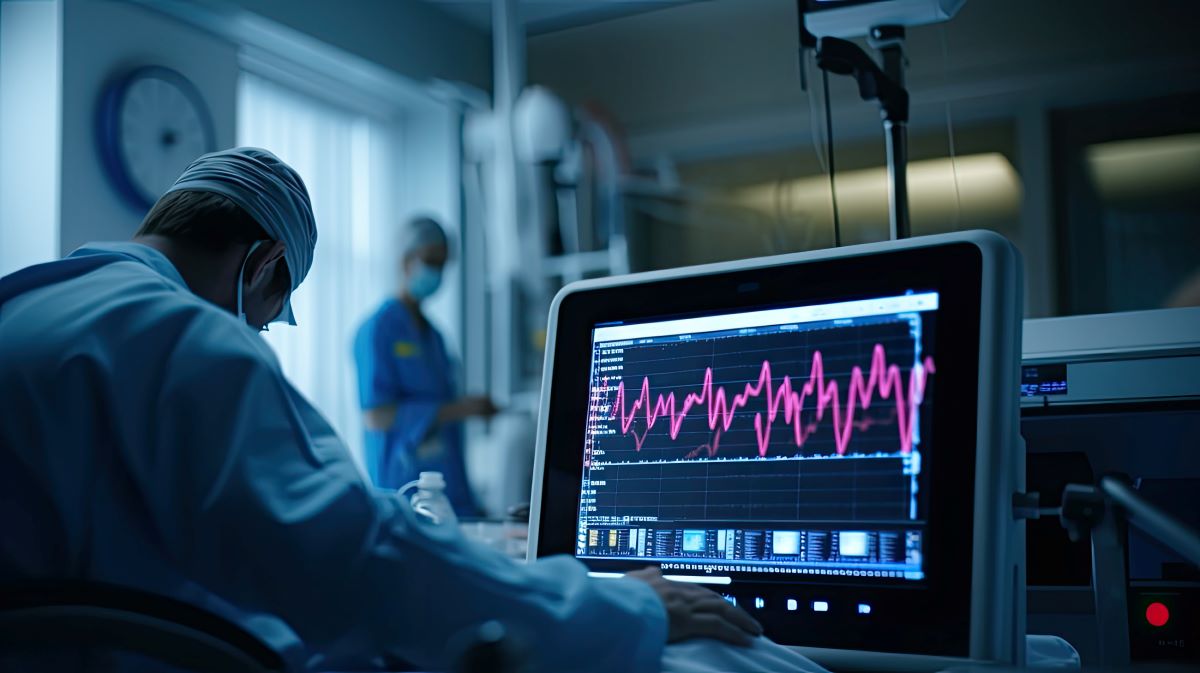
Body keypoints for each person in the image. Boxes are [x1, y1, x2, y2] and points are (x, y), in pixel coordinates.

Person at [0, 148, 763, 672]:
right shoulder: (178, 337)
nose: (256, 335)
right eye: (265, 316)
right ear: (265, 264)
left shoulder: (35, 307)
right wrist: (615, 605)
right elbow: (354, 558)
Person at [354, 217, 492, 516]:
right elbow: (376, 416)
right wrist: (460, 409)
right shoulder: (378, 330)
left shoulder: (435, 338)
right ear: (406, 260)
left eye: (442, 264)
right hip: (403, 488)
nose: (437, 272)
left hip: (448, 488)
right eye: (430, 261)